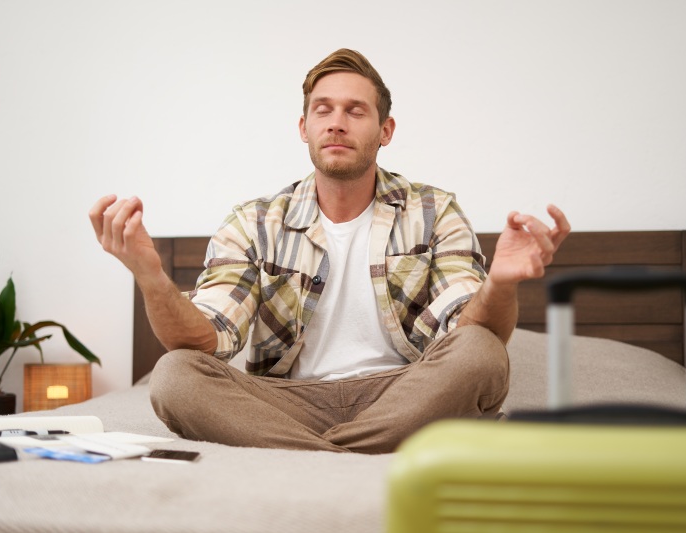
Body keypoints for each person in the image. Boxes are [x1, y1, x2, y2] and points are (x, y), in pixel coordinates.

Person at [89, 48, 570, 454]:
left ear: (386, 130)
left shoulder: (435, 211)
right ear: (304, 126)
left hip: (403, 392)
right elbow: (206, 341)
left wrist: (501, 284)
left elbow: (469, 330)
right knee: (174, 374)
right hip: (285, 400)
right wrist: (150, 276)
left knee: (481, 353)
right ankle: (359, 452)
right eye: (323, 110)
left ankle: (306, 454)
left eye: (355, 111)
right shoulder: (254, 222)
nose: (337, 123)